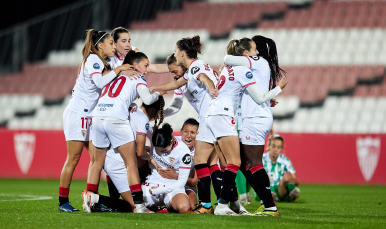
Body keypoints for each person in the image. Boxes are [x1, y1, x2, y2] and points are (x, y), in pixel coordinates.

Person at [207, 37, 286, 215]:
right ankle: (235, 204)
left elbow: (247, 93)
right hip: (238, 116)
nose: (257, 53)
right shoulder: (244, 70)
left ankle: (245, 204)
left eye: (258, 49)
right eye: (254, 49)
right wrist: (274, 92)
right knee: (239, 162)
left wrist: (271, 94)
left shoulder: (235, 68)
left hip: (236, 116)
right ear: (245, 53)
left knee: (241, 162)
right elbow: (255, 96)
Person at [59, 29, 131, 212]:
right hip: (78, 114)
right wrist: (119, 69)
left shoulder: (101, 61)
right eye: (111, 43)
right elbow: (99, 83)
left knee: (98, 159)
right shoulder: (92, 60)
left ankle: (93, 200)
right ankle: (63, 201)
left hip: (90, 116)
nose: (114, 46)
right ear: (100, 45)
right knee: (73, 158)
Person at [86, 50, 164, 213]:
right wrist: (158, 92)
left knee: (95, 163)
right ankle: (139, 206)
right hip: (115, 119)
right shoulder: (137, 77)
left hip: (98, 116)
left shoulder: (115, 73)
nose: (147, 69)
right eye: (145, 65)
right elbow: (148, 100)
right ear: (134, 65)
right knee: (131, 163)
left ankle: (90, 198)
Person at [150, 36, 220, 214]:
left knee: (200, 160)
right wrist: (156, 94)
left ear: (182, 57)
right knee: (216, 162)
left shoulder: (195, 67)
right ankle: (225, 204)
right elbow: (174, 91)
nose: (174, 73)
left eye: (174, 70)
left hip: (211, 116)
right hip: (215, 116)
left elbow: (203, 77)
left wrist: (211, 85)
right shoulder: (187, 76)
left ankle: (207, 205)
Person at [143, 123, 192, 213]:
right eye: (157, 150)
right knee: (132, 201)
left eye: (164, 150)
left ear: (171, 141)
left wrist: (161, 190)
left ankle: (161, 207)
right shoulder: (155, 138)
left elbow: (182, 181)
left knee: (183, 207)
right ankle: (160, 208)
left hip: (173, 188)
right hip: (152, 186)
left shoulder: (184, 152)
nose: (160, 152)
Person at [156, 118, 199, 210]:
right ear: (180, 131)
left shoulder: (199, 151)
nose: (188, 136)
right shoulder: (172, 142)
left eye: (192, 132)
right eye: (185, 131)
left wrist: (176, 175)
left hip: (187, 185)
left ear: (197, 134)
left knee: (191, 207)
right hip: (167, 182)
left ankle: (168, 208)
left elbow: (195, 181)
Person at [263, 135, 300, 202]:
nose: (276, 149)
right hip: (264, 187)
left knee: (288, 174)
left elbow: (294, 178)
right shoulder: (261, 159)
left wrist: (291, 179)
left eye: (279, 147)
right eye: (273, 146)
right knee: (263, 175)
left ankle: (292, 192)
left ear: (281, 149)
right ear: (268, 146)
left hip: (279, 188)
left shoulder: (285, 160)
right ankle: (271, 193)